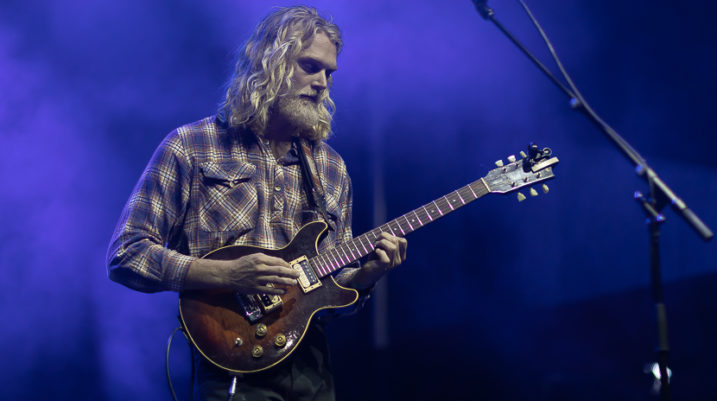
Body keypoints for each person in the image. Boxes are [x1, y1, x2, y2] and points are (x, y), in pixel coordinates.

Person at [106, 6, 407, 401]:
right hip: (229, 364)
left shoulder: (330, 167)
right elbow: (126, 255)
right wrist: (226, 274)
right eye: (310, 66)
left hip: (311, 368)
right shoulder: (191, 147)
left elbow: (332, 297)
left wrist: (366, 276)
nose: (322, 83)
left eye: (329, 73)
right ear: (270, 63)